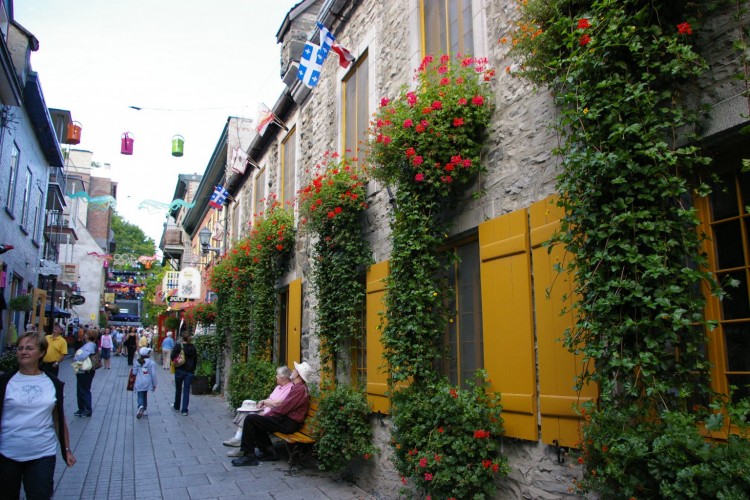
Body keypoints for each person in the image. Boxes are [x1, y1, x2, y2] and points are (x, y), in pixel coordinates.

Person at [0, 332, 77, 499]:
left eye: (29, 348)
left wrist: (66, 450)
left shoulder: (53, 383)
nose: (23, 352)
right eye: (20, 348)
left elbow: (58, 418)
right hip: (7, 453)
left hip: (42, 453)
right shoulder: (6, 381)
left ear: (41, 352)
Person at [231, 361, 313, 466]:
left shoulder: (299, 389)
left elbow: (283, 408)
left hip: (289, 423)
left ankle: (249, 456)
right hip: (286, 420)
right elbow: (284, 407)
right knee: (255, 420)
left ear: (299, 375)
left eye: (295, 370)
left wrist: (267, 415)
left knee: (251, 419)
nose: (292, 370)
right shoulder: (297, 387)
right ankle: (269, 452)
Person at [225, 366, 293, 457]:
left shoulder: (290, 388)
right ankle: (239, 440)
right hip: (266, 410)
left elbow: (278, 404)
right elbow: (270, 398)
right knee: (246, 410)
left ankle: (241, 445)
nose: (276, 376)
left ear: (283, 377)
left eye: (277, 375)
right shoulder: (278, 387)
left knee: (250, 417)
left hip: (271, 414)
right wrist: (262, 403)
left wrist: (265, 403)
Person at [73, 330, 98, 417]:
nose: (84, 335)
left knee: (84, 390)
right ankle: (81, 408)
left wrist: (76, 358)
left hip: (85, 370)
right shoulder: (90, 344)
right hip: (83, 370)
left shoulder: (89, 345)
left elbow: (84, 355)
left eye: (86, 334)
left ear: (89, 336)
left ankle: (87, 409)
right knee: (80, 390)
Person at [171, 332, 197, 416]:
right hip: (189, 371)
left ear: (182, 338)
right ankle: (184, 410)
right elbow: (195, 360)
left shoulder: (179, 346)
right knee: (186, 390)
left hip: (180, 370)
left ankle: (177, 405)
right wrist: (193, 370)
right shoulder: (193, 347)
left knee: (178, 389)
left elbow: (172, 356)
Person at [132, 347, 157, 419]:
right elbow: (153, 374)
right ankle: (145, 409)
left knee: (140, 395)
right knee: (145, 395)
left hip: (139, 381)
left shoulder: (137, 362)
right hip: (147, 381)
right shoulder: (152, 363)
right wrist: (154, 384)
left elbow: (134, 372)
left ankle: (140, 406)